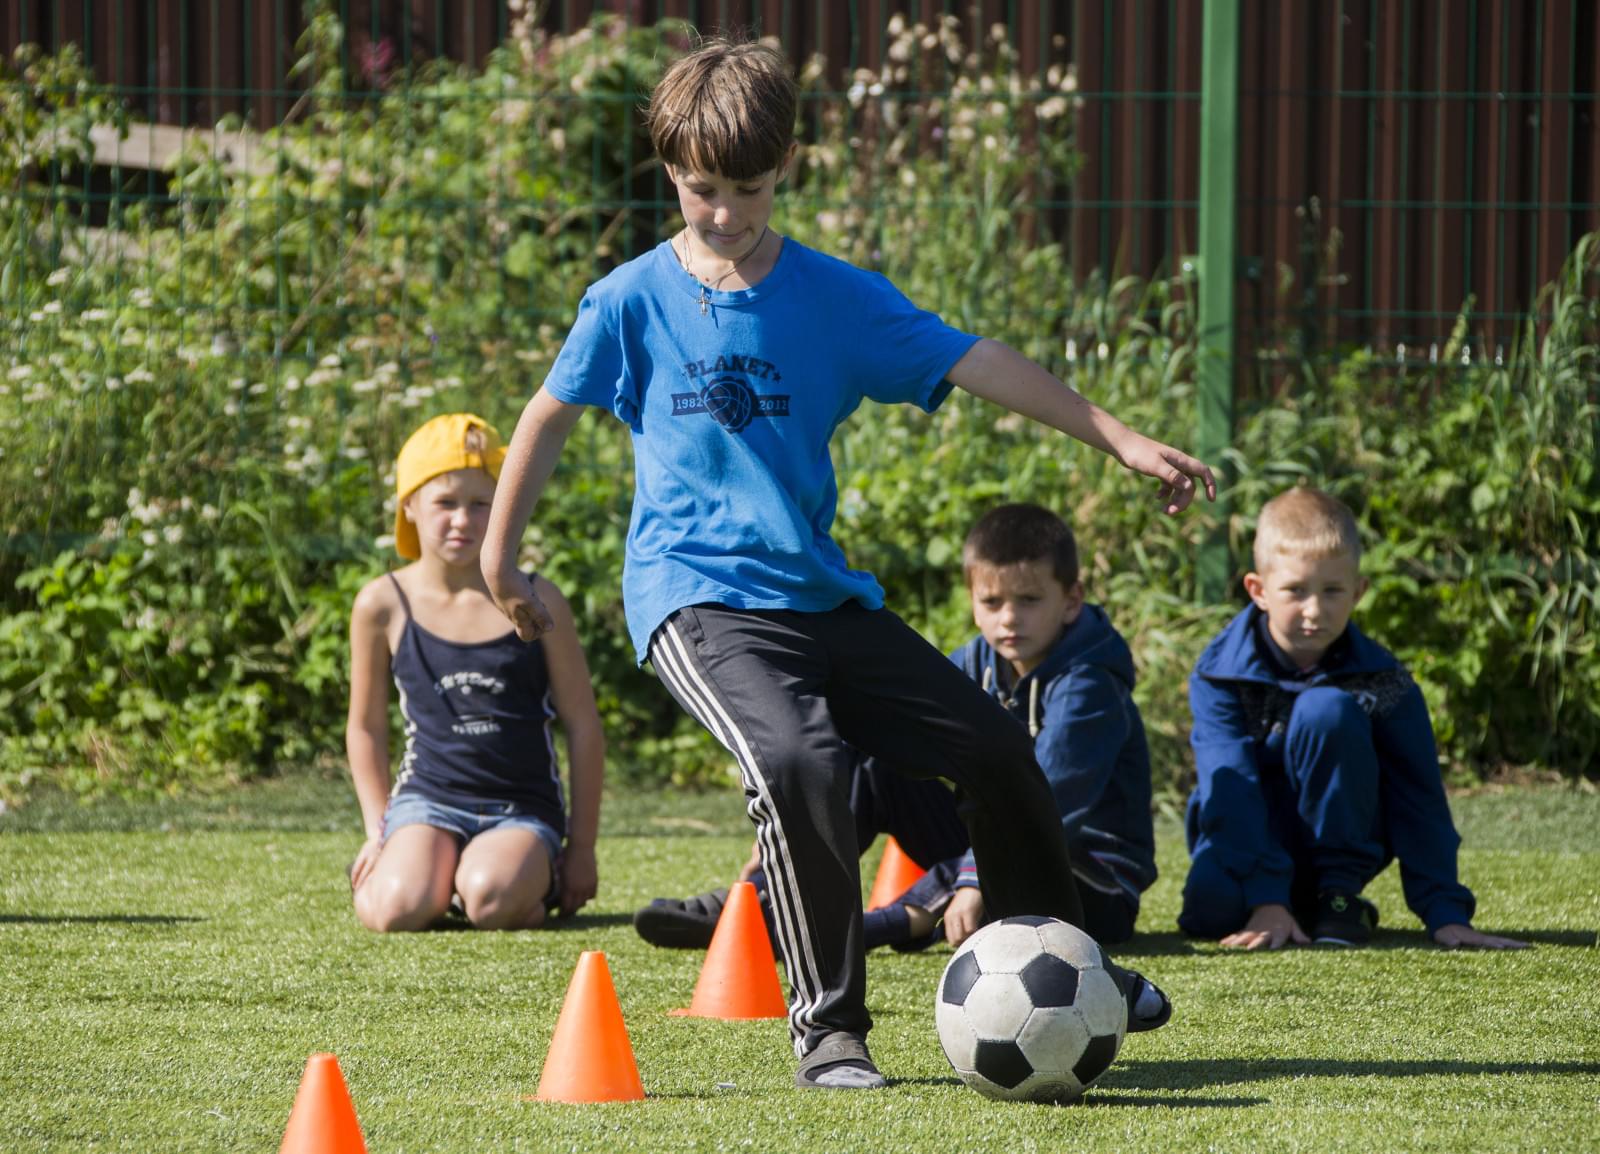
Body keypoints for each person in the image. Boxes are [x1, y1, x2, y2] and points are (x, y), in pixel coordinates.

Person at [481, 37, 1213, 1089]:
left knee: (997, 748)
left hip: (822, 598)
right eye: (700, 189)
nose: (723, 212)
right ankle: (828, 1028)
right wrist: (503, 563)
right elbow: (545, 416)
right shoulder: (629, 300)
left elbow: (975, 359)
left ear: (786, 169)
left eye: (746, 188)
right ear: (669, 172)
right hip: (695, 600)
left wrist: (1121, 437)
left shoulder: (832, 296)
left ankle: (1070, 960)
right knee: (797, 761)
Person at [633, 502, 1156, 952]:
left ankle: (863, 926)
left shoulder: (1089, 684)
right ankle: (767, 895)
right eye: (992, 603)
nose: (1009, 620)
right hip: (996, 848)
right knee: (877, 750)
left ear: (1071, 600)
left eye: (1029, 600)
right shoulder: (977, 661)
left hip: (1089, 878)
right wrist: (792, 815)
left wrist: (972, 879)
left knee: (991, 842)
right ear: (972, 600)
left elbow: (1050, 801)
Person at [1178, 487, 1527, 951]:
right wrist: (1265, 895)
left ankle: (1338, 898)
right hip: (1251, 841)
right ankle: (1287, 901)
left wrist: (1444, 911)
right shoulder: (1217, 673)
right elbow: (1230, 789)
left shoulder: (1383, 678)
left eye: (1333, 590)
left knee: (1327, 708)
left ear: (1358, 591)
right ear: (1258, 591)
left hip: (1344, 846)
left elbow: (1418, 795)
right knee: (1209, 913)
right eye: (1295, 590)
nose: (1314, 610)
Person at [345, 412, 604, 933]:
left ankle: (518, 881)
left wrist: (583, 847)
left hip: (522, 809)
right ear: (409, 508)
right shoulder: (381, 603)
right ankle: (434, 877)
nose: (462, 520)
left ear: (507, 507)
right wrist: (380, 829)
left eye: (481, 503)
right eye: (444, 503)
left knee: (492, 898)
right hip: (427, 802)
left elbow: (583, 725)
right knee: (393, 908)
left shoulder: (538, 597)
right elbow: (365, 727)